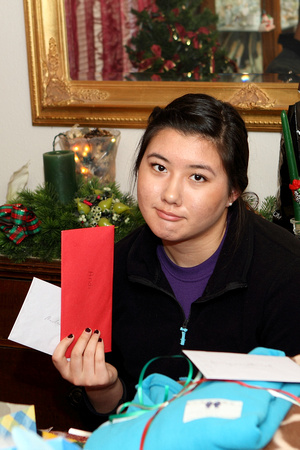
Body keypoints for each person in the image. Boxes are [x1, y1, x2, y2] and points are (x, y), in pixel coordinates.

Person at [52, 93, 300, 430]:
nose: (170, 194)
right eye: (159, 167)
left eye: (197, 177)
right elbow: (120, 421)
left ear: (233, 192)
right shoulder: (114, 268)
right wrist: (103, 388)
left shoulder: (285, 272)